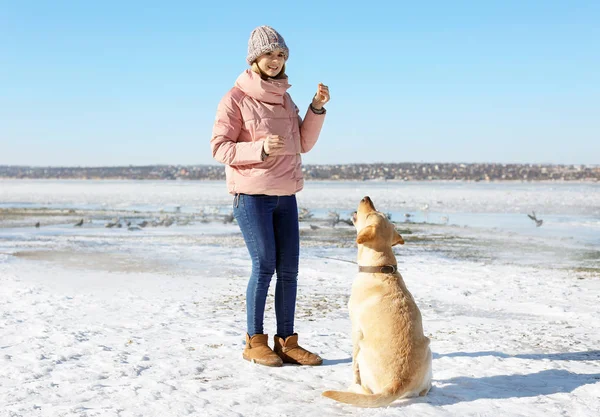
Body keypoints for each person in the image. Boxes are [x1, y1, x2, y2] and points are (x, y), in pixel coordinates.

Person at [210, 25, 330, 367]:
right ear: (254, 59)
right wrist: (259, 148)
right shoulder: (234, 98)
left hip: (285, 194)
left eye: (281, 55)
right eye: (269, 54)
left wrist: (316, 109)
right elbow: (219, 148)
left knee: (289, 270)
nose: (275, 61)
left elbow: (303, 144)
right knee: (264, 266)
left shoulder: (285, 98)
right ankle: (253, 340)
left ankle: (287, 342)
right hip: (251, 196)